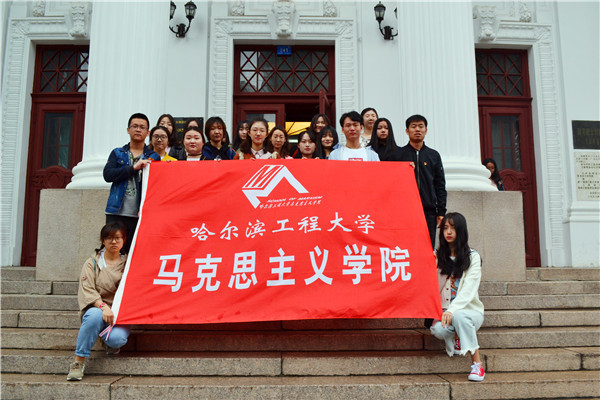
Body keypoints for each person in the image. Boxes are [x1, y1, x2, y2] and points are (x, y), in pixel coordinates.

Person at [67, 222, 130, 381]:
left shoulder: (129, 263)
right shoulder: (92, 263)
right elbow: (87, 290)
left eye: (117, 238)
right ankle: (78, 361)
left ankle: (106, 340)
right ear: (103, 240)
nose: (114, 242)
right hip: (97, 308)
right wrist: (103, 307)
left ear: (124, 240)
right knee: (94, 316)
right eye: (109, 238)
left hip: (119, 313)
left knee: (117, 339)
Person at [430, 212, 485, 382]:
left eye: (453, 228)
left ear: (461, 230)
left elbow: (469, 290)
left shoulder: (473, 257)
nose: (448, 232)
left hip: (471, 312)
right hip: (446, 313)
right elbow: (432, 286)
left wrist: (452, 311)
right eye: (445, 228)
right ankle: (457, 337)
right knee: (437, 329)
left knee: (460, 316)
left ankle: (477, 365)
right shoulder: (437, 256)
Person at [103, 113, 160, 254]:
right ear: (128, 130)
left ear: (148, 132)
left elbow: (156, 186)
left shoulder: (153, 157)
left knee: (136, 253)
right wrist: (133, 168)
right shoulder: (117, 153)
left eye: (142, 127)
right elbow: (108, 175)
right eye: (134, 126)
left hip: (139, 214)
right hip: (115, 211)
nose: (138, 129)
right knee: (114, 252)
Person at [398, 114, 446, 249]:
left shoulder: (433, 155)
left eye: (421, 126)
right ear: (407, 131)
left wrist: (441, 211)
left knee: (427, 247)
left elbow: (440, 184)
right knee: (406, 247)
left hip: (428, 211)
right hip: (405, 210)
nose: (417, 129)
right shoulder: (399, 154)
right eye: (413, 126)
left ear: (426, 130)